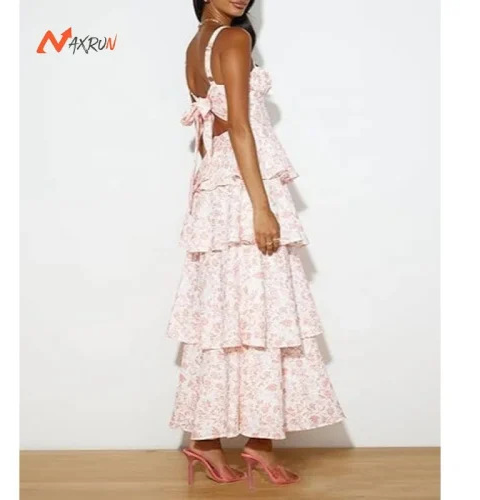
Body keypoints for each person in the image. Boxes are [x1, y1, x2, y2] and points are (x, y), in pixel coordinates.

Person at [166, 0, 346, 487]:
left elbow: (213, 130)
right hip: (246, 186)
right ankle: (250, 443)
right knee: (262, 310)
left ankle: (213, 442)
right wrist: (262, 208)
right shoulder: (233, 39)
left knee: (226, 315)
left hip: (218, 186)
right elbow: (241, 126)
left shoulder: (195, 45)